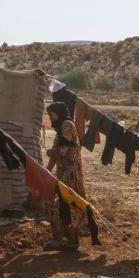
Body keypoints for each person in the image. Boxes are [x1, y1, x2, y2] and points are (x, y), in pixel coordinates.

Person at [45, 102, 86, 250]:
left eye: (52, 115)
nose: (50, 118)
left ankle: (71, 240)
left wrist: (51, 152)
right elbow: (56, 155)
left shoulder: (67, 125)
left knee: (69, 206)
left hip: (71, 176)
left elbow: (63, 151)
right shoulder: (60, 130)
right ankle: (61, 238)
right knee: (60, 206)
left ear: (59, 113)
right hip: (62, 175)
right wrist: (47, 170)